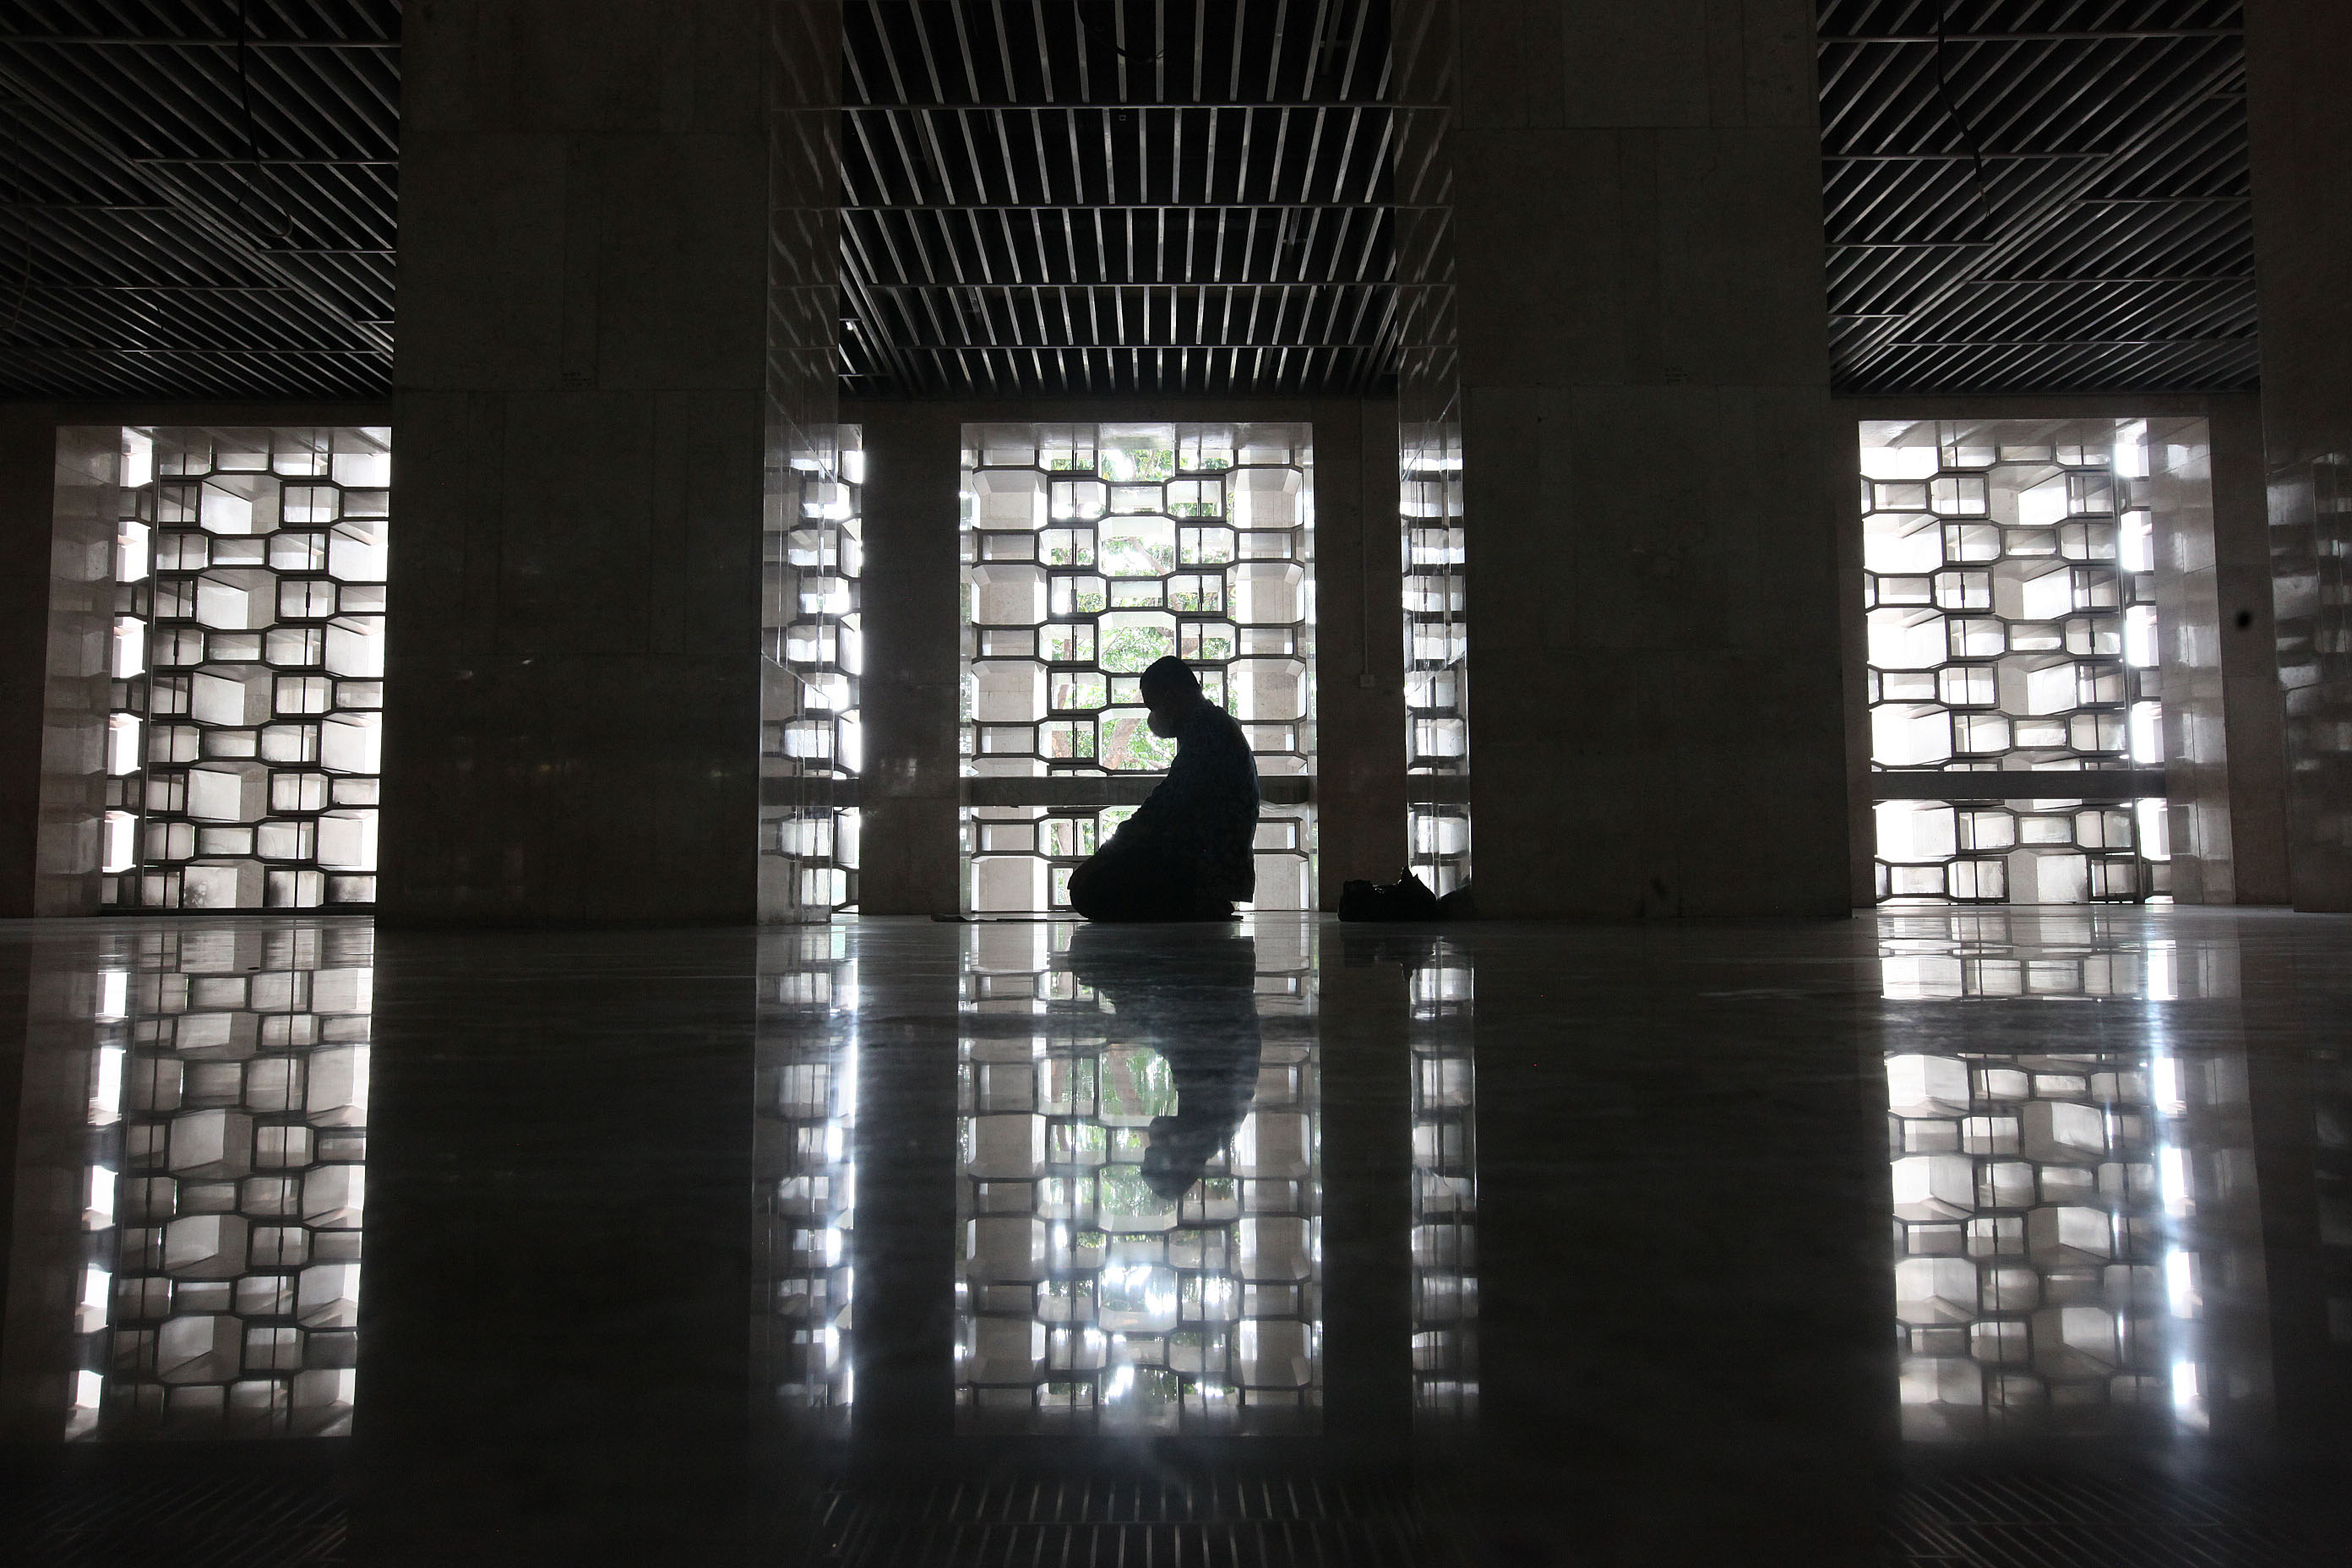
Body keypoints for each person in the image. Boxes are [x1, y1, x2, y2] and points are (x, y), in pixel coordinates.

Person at [1067, 656, 1259, 921]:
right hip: (1210, 862)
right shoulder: (1210, 725)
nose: (1153, 716)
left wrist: (1104, 856)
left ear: (1172, 695)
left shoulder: (1208, 732)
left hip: (1206, 867)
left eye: (1153, 706)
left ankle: (1198, 902)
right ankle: (1198, 902)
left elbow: (1165, 807)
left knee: (1088, 890)